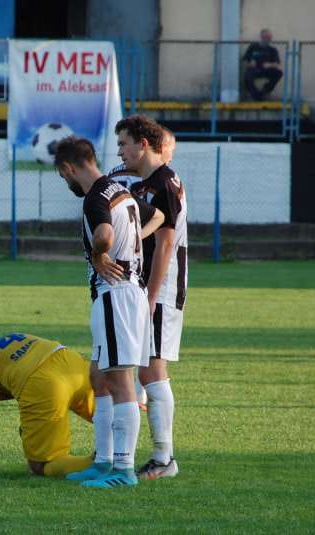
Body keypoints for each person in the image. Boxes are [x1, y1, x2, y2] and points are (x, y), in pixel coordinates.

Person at [53, 135, 162, 489]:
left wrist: (104, 253)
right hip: (122, 293)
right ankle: (103, 461)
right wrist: (130, 244)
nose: (66, 182)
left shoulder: (94, 198)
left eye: (63, 175)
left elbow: (101, 232)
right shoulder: (120, 189)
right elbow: (158, 215)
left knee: (119, 380)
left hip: (117, 294)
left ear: (70, 167)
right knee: (99, 375)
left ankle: (124, 470)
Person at [125, 116, 187, 481]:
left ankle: (164, 458)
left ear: (144, 144)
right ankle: (141, 450)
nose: (120, 152)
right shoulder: (148, 183)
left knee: (152, 369)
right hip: (148, 286)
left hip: (160, 288)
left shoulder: (165, 181)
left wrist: (151, 294)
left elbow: (166, 241)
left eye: (124, 144)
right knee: (142, 367)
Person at [0, 334, 97, 478]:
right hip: (71, 361)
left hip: (43, 379)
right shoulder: (2, 350)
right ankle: (118, 455)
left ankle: (96, 462)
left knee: (42, 464)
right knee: (111, 418)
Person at [243, 29, 282, 101]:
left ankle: (266, 90)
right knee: (247, 75)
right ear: (261, 37)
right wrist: (250, 64)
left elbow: (277, 63)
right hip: (254, 69)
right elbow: (245, 61)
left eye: (269, 37)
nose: (268, 39)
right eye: (266, 37)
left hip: (267, 69)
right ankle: (256, 95)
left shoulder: (272, 49)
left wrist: (270, 64)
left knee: (279, 73)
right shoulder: (253, 47)